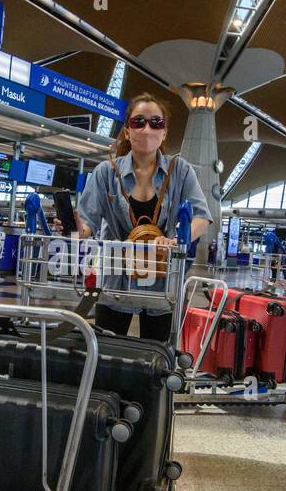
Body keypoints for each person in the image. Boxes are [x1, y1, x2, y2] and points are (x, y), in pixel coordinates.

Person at [76, 91, 210, 342]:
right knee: (106, 353)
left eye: (156, 123)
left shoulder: (180, 170)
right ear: (127, 131)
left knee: (158, 358)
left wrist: (176, 242)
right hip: (116, 279)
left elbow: (201, 216)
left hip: (163, 281)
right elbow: (87, 223)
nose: (147, 129)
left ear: (164, 132)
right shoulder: (106, 172)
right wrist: (77, 226)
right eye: (138, 122)